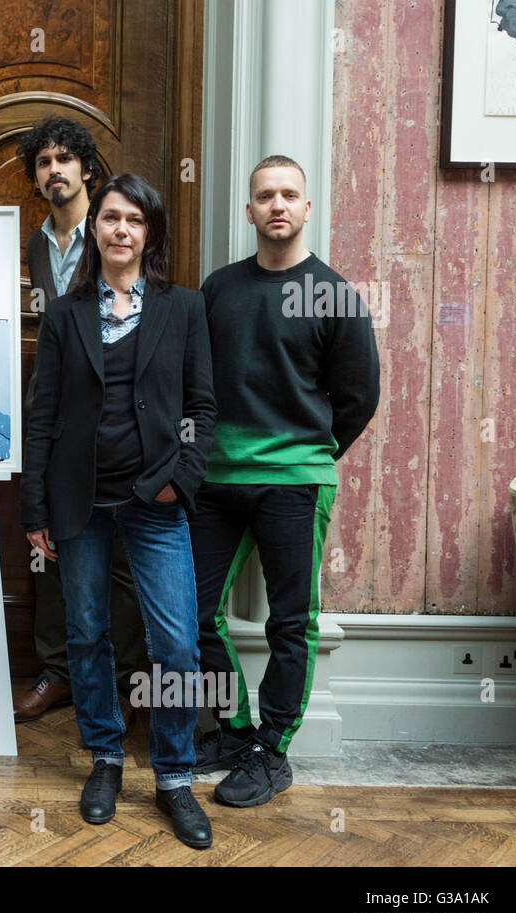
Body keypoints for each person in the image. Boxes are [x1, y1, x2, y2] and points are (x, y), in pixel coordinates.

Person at [20, 173, 217, 848]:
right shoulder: (65, 316)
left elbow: (202, 411)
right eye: (110, 218)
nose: (121, 230)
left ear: (149, 232)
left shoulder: (183, 309)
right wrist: (35, 506)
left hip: (156, 504)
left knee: (178, 648)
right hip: (79, 507)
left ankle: (174, 777)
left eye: (134, 219)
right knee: (87, 636)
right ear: (95, 229)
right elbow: (41, 415)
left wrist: (179, 481)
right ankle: (104, 758)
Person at [193, 156, 379, 806]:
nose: (277, 204)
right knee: (192, 613)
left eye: (289, 195)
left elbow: (358, 397)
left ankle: (272, 754)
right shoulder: (218, 290)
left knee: (290, 622)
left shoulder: (333, 294)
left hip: (295, 481)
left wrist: (305, 455)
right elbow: (198, 386)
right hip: (216, 480)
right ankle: (233, 730)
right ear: (249, 210)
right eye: (265, 195)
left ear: (306, 208)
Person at [14, 116, 147, 725]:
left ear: (87, 168)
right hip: (54, 415)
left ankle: (120, 678)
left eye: (65, 158)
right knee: (49, 544)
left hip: (117, 418)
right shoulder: (37, 243)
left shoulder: (114, 231)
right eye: (43, 162)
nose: (54, 170)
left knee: (118, 554)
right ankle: (59, 670)